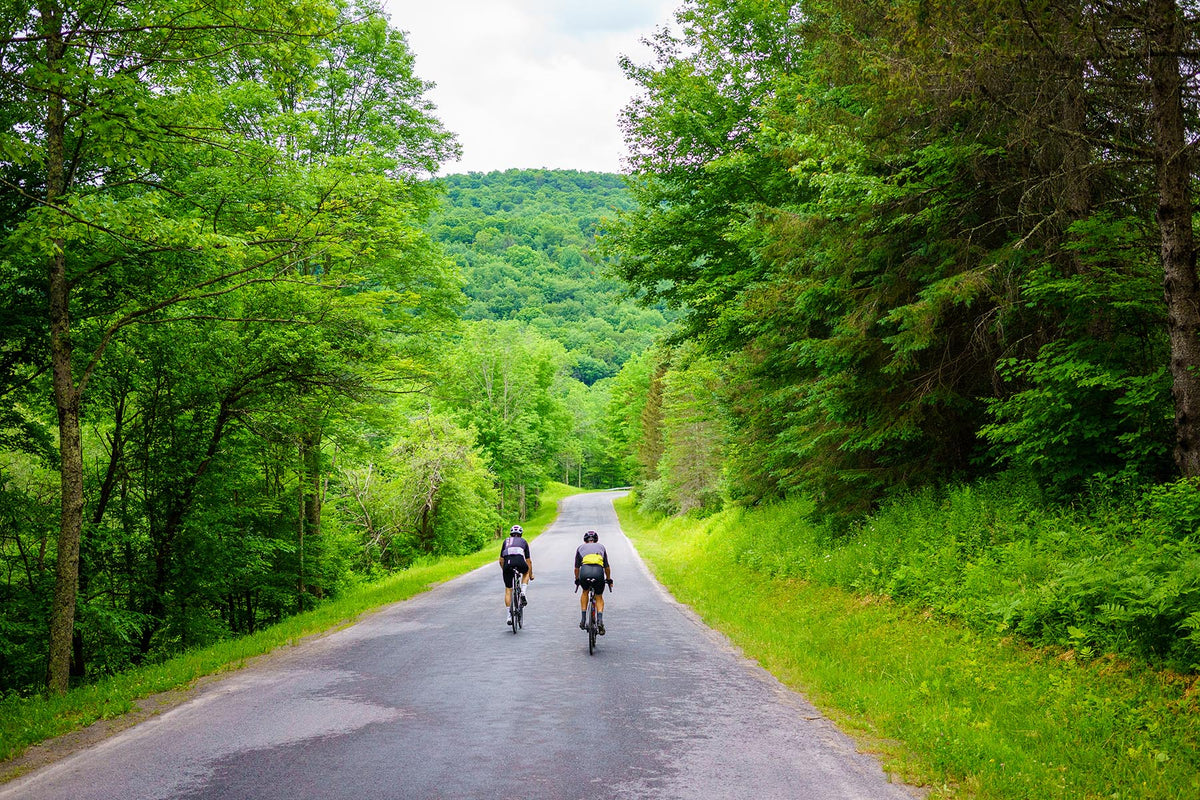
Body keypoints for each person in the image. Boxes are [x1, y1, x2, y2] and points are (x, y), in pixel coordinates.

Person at [574, 530, 612, 634]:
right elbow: (607, 567)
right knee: (599, 596)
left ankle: (583, 619)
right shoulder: (601, 547)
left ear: (585, 541)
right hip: (598, 572)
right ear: (596, 540)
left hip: (585, 572)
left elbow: (576, 568)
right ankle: (599, 620)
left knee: (585, 591)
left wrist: (577, 579)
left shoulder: (580, 548)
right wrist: (609, 579)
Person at [499, 524, 532, 626]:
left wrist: (504, 570)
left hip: (507, 564)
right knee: (526, 572)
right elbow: (528, 561)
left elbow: (501, 560)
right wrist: (531, 575)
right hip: (520, 562)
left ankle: (509, 616)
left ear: (511, 534)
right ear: (520, 534)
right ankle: (522, 592)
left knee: (508, 590)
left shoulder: (506, 541)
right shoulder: (523, 542)